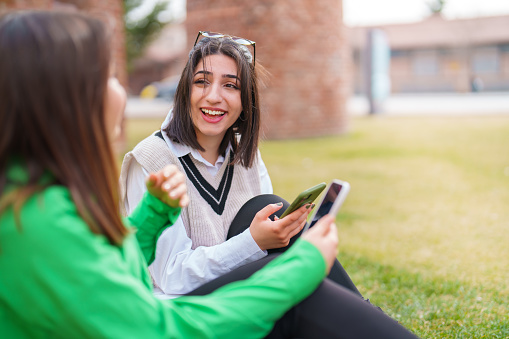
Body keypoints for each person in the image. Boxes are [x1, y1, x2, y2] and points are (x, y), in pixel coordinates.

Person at [0, 9, 422, 339]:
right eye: (107, 75)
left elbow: (105, 270)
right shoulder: (35, 220)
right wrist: (298, 267)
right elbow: (159, 321)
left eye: (232, 86)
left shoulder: (44, 200)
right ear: (57, 99)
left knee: (268, 211)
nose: (119, 88)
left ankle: (359, 313)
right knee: (296, 293)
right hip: (179, 305)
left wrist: (149, 220)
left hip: (195, 299)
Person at [119, 30, 362, 299]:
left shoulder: (246, 156)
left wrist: (281, 232)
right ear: (185, 90)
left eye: (230, 85)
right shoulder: (151, 159)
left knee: (273, 218)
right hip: (184, 308)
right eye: (202, 82)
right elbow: (171, 278)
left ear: (246, 101)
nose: (213, 96)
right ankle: (366, 314)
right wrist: (253, 242)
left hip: (241, 293)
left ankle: (365, 312)